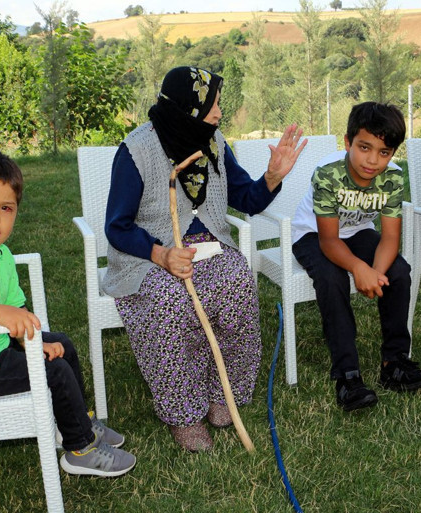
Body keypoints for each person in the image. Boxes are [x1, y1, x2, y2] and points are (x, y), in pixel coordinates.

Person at [103, 66, 307, 451]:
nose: (217, 113)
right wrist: (161, 254)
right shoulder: (137, 150)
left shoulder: (214, 141)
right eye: (211, 104)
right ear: (187, 108)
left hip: (208, 247)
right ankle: (183, 414)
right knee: (170, 299)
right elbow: (117, 225)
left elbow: (246, 197)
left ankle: (221, 393)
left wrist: (272, 177)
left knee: (238, 281)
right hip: (148, 254)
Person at [0, 148, 136, 477]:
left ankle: (77, 422)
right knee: (56, 371)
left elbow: (15, 311)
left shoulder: (1, 254)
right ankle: (79, 449)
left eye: (6, 208)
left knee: (62, 344)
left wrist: (29, 343)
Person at [290, 101, 421, 412]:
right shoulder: (329, 173)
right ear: (347, 142)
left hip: (358, 231)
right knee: (331, 278)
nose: (372, 160)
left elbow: (390, 238)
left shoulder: (393, 178)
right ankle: (347, 375)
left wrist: (377, 273)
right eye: (364, 147)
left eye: (384, 152)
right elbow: (329, 242)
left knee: (398, 271)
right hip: (313, 234)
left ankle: (394, 362)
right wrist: (359, 269)